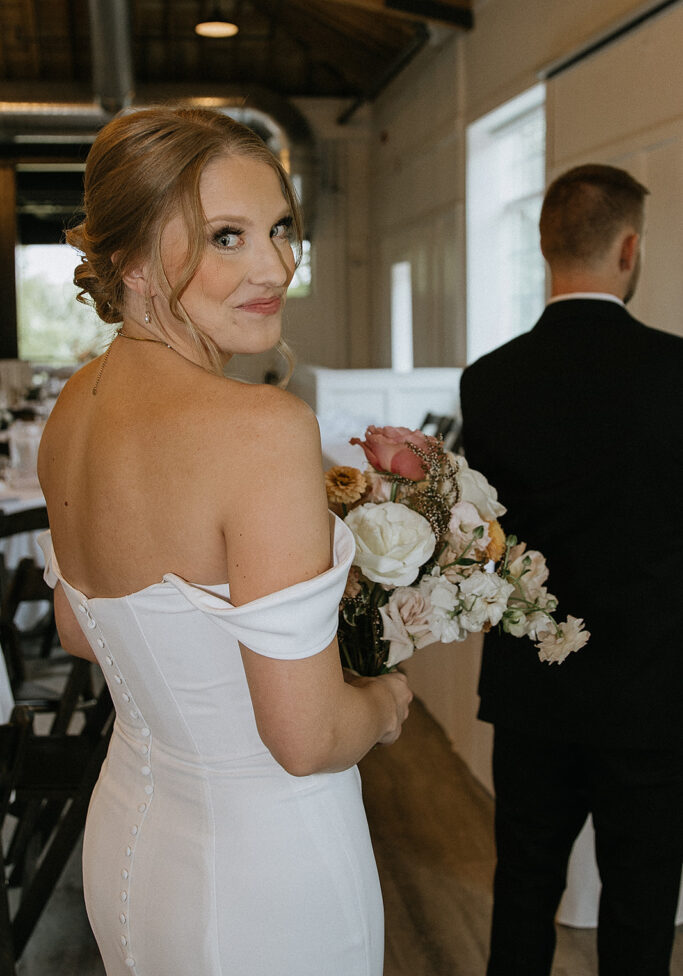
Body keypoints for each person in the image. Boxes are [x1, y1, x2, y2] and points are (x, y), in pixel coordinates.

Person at [37, 106, 412, 976]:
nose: (276, 265)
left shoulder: (71, 410)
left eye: (280, 228)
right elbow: (306, 737)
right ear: (128, 261)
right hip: (267, 873)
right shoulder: (259, 428)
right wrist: (383, 705)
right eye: (226, 238)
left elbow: (79, 628)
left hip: (130, 838)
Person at [460, 163, 683, 976]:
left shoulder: (486, 382)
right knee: (641, 900)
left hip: (532, 691)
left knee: (521, 887)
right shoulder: (675, 373)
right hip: (653, 693)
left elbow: (483, 539)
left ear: (546, 247)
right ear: (628, 248)